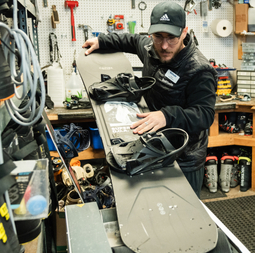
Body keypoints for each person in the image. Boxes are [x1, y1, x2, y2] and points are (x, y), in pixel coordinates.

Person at [82, 2, 217, 198]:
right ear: (151, 34)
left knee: (184, 214)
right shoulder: (150, 48)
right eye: (158, 37)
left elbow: (204, 115)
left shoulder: (199, 69)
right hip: (153, 143)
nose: (164, 46)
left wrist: (166, 116)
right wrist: (102, 40)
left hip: (184, 155)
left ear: (184, 32)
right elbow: (131, 40)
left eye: (171, 38)